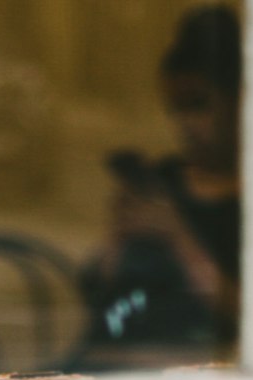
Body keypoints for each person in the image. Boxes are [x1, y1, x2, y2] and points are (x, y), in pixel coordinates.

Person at [79, 5, 242, 357]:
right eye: (175, 108)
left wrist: (179, 238)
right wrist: (118, 236)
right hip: (123, 352)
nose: (185, 123)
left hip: (203, 364)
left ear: (242, 102)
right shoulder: (164, 180)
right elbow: (102, 296)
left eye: (198, 105)